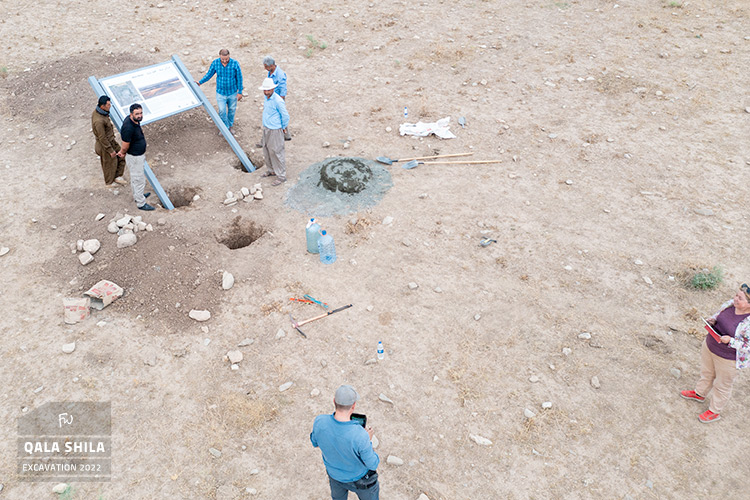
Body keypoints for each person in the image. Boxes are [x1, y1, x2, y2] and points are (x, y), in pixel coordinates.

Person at [680, 283, 750, 422]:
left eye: (740, 298)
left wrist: (730, 341)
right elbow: (719, 315)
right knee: (706, 373)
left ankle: (714, 411)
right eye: (736, 295)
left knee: (722, 385)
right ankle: (700, 393)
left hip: (728, 358)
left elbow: (747, 346)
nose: (735, 299)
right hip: (710, 346)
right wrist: (712, 320)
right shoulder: (730, 304)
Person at [310, 385, 380, 500]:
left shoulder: (320, 421)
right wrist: (368, 441)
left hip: (335, 477)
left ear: (334, 401)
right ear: (353, 406)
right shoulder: (360, 435)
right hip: (361, 481)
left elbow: (314, 442)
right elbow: (373, 464)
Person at [196, 49, 243, 135]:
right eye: (223, 59)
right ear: (219, 56)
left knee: (232, 110)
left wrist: (240, 92)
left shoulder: (235, 63)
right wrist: (200, 82)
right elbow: (209, 74)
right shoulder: (215, 63)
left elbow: (239, 78)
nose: (225, 61)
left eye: (226, 59)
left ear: (229, 56)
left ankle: (230, 125)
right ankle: (225, 127)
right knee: (222, 110)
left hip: (232, 92)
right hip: (220, 92)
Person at [117, 104, 154, 211]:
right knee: (139, 179)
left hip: (138, 156)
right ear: (131, 114)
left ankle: (138, 196)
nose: (140, 116)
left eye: (141, 113)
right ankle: (141, 203)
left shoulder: (134, 121)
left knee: (136, 178)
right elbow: (125, 145)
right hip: (134, 157)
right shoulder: (128, 127)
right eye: (137, 114)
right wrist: (122, 153)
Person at [258, 77, 289, 186]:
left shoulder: (278, 100)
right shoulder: (267, 98)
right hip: (267, 128)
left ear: (273, 89)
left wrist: (284, 126)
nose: (266, 92)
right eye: (265, 90)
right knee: (266, 149)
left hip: (275, 129)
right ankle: (271, 170)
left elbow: (285, 115)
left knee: (277, 151)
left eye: (268, 90)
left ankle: (281, 175)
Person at [91, 96, 127, 188]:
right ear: (102, 106)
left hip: (111, 141)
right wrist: (110, 150)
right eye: (108, 104)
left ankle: (118, 176)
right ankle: (109, 182)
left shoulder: (101, 113)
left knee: (121, 155)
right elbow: (102, 137)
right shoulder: (99, 120)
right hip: (104, 145)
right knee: (109, 163)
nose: (110, 106)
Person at [263, 55, 291, 141]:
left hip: (277, 99)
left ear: (271, 66)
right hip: (271, 97)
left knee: (280, 115)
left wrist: (280, 101)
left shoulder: (280, 75)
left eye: (266, 67)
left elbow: (283, 90)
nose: (265, 68)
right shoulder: (271, 72)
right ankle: (286, 134)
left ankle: (285, 134)